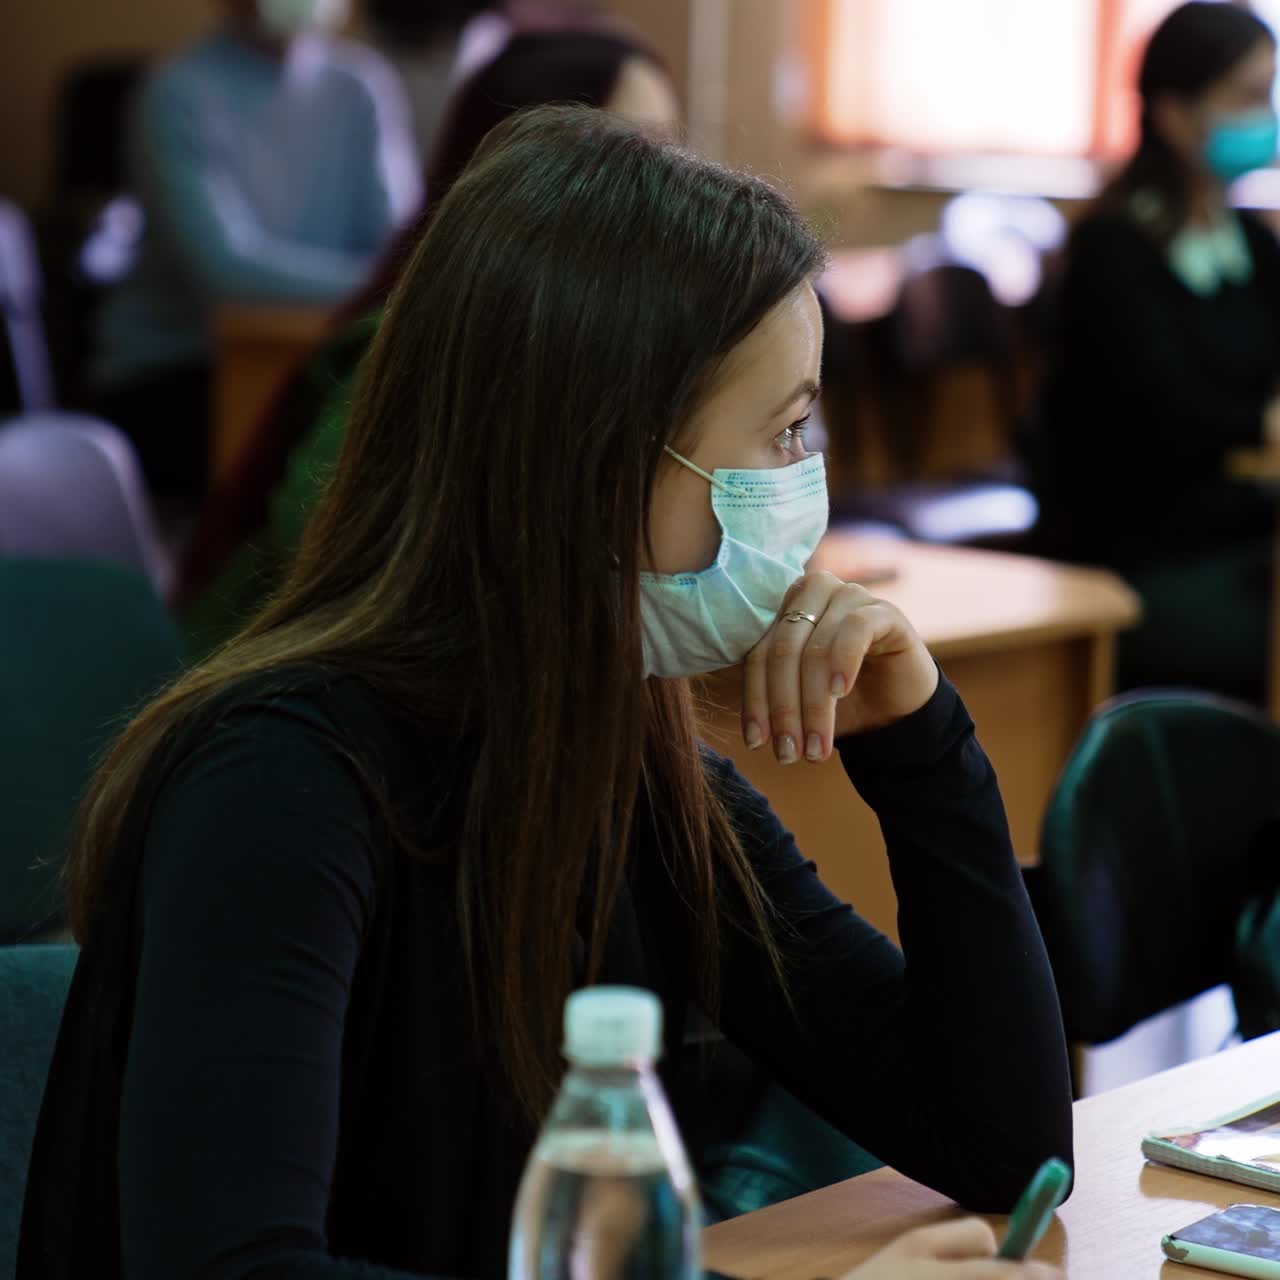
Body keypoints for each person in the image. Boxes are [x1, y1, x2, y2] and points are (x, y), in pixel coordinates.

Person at [20, 106, 1071, 1279]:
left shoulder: (636, 771)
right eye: (784, 432)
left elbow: (1001, 1143)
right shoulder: (280, 780)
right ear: (602, 463)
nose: (806, 482)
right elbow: (233, 1267)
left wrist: (921, 750)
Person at [175, 24, 682, 658]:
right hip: (279, 700)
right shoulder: (408, 349)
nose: (669, 182)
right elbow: (342, 572)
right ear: (528, 177)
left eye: (672, 146)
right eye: (637, 149)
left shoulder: (581, 333)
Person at [1033, 1, 1280, 703]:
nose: (1266, 115)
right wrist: (1262, 426)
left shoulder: (1254, 245)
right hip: (1146, 563)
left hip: (1241, 541)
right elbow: (1173, 415)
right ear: (1174, 115)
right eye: (1247, 96)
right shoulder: (1113, 250)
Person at [91, 0, 420, 500]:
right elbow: (228, 274)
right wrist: (380, 285)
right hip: (180, 372)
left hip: (320, 357)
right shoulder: (176, 92)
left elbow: (400, 250)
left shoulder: (362, 86)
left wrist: (391, 283)